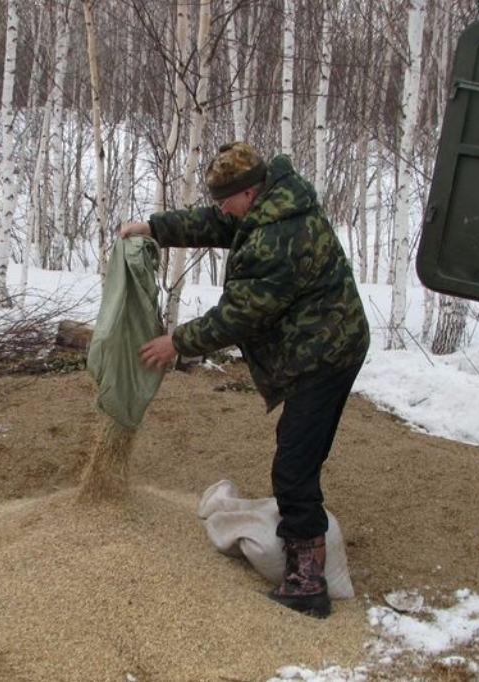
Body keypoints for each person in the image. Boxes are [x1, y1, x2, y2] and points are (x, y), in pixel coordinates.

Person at [119, 142, 369, 618]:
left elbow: (239, 316)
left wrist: (177, 343)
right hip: (323, 343)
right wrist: (153, 227)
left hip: (325, 354)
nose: (221, 210)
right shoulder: (268, 204)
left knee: (293, 466)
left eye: (226, 200)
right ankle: (306, 552)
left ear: (250, 193)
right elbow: (215, 222)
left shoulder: (279, 239)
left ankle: (306, 582)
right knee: (300, 455)